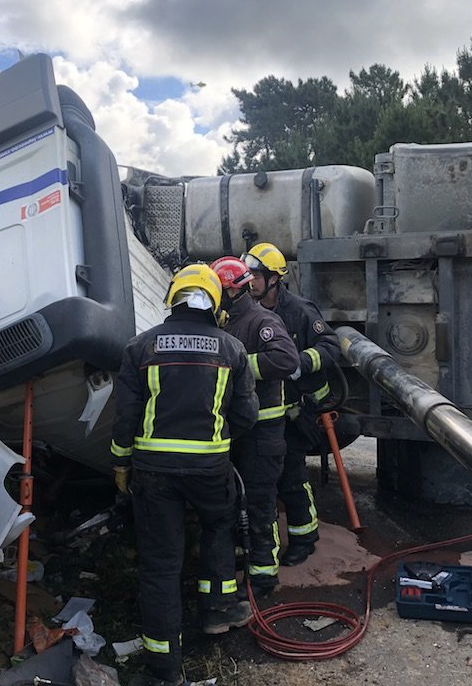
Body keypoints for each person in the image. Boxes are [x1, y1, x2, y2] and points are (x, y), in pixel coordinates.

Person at [111, 263, 260, 686]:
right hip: (211, 469)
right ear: (214, 302)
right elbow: (247, 415)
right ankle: (218, 612)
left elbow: (125, 417)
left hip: (153, 474)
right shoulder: (232, 349)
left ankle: (164, 667)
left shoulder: (140, 348)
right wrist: (218, 437)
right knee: (218, 530)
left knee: (160, 565)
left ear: (172, 297)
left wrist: (121, 463)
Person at [242, 242, 341, 566]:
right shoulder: (248, 309)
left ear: (274, 278)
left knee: (291, 477)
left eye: (255, 276)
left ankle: (304, 538)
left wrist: (301, 362)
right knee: (263, 481)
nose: (250, 282)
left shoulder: (299, 310)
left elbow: (330, 345)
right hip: (265, 411)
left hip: (298, 410)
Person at [211, 256, 298, 597]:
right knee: (234, 501)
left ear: (233, 291)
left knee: (261, 504)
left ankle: (263, 576)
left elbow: (286, 359)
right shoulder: (224, 323)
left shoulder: (262, 320)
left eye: (218, 290)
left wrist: (239, 365)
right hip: (235, 431)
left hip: (263, 433)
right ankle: (242, 558)